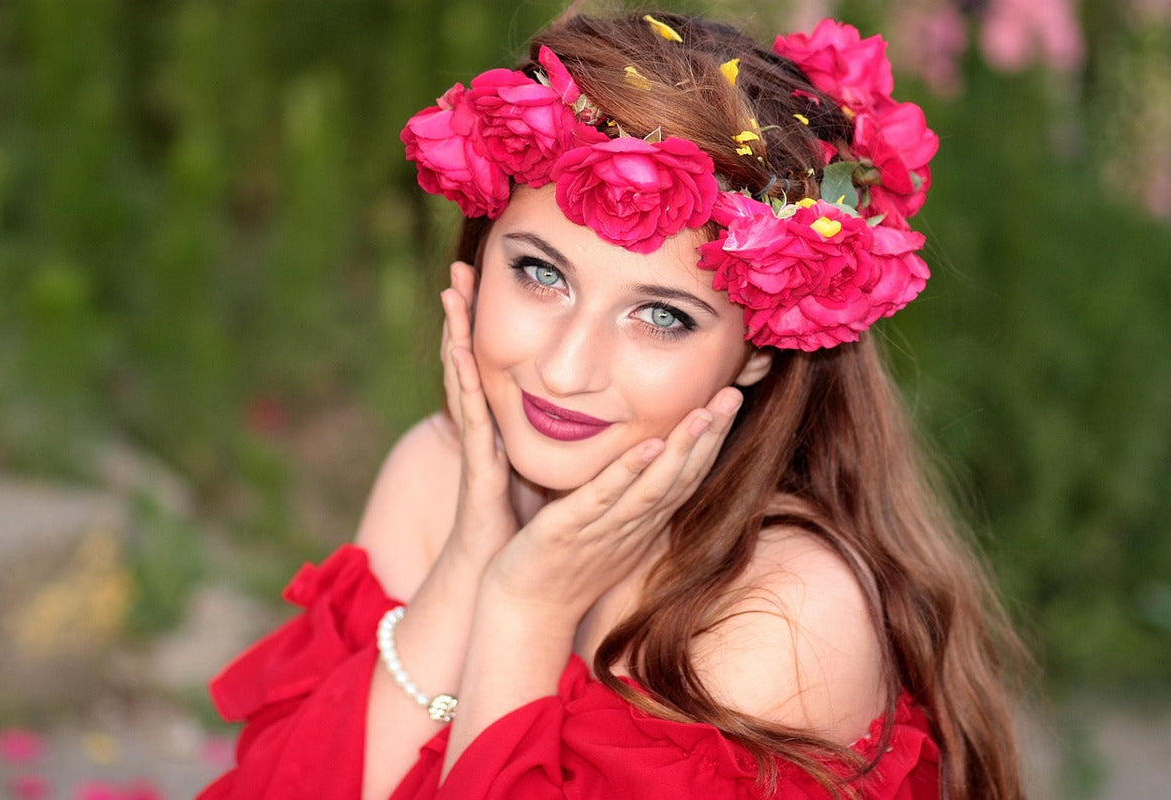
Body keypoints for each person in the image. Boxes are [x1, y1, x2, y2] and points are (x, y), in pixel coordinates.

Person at [200, 9, 1027, 800]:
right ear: (477, 262)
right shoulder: (437, 475)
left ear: (759, 349)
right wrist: (468, 561)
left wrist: (527, 607)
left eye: (661, 317)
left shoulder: (781, 613)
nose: (565, 370)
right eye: (541, 274)